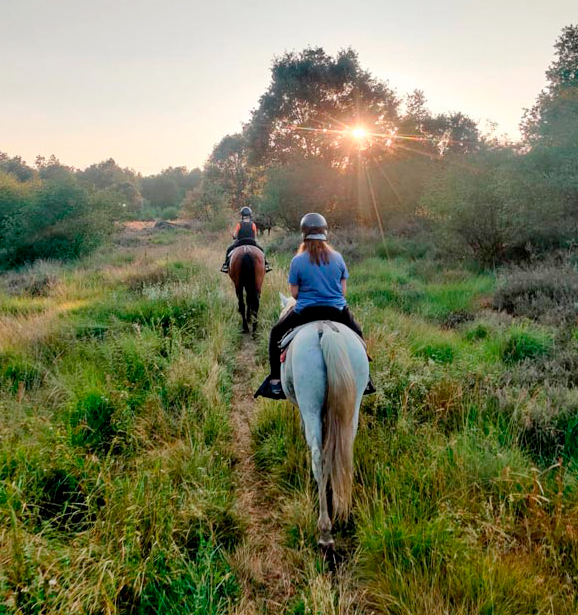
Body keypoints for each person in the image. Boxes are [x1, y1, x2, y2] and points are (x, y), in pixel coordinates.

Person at [255, 212, 375, 400]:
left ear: (304, 234)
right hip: (337, 312)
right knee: (358, 334)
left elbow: (294, 294)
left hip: (306, 312)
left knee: (275, 333)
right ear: (325, 233)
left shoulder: (298, 261)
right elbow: (343, 292)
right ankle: (366, 378)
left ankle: (276, 381)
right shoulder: (338, 258)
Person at [220, 206, 272, 273]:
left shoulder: (239, 224)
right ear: (250, 215)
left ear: (242, 215)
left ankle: (225, 266)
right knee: (262, 250)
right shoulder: (253, 224)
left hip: (240, 242)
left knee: (229, 250)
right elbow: (255, 235)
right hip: (252, 242)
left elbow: (235, 235)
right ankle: (266, 264)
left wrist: (233, 236)